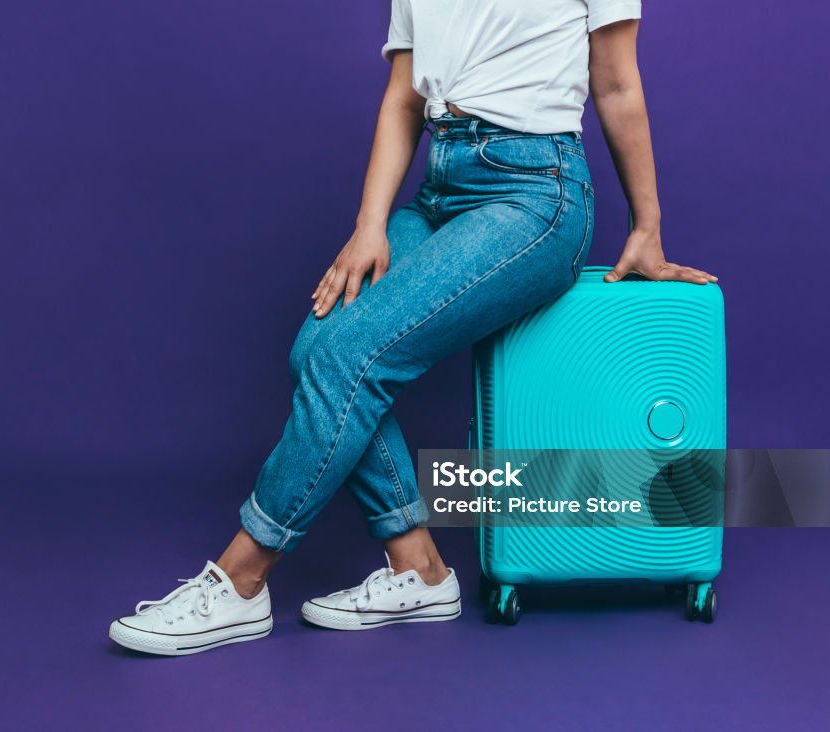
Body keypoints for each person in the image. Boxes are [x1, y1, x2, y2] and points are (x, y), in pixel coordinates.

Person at [108, 0, 718, 656]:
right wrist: (370, 225)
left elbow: (618, 81)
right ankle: (419, 568)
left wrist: (647, 229)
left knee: (349, 354)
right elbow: (404, 97)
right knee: (316, 348)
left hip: (536, 195)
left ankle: (239, 580)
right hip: (442, 186)